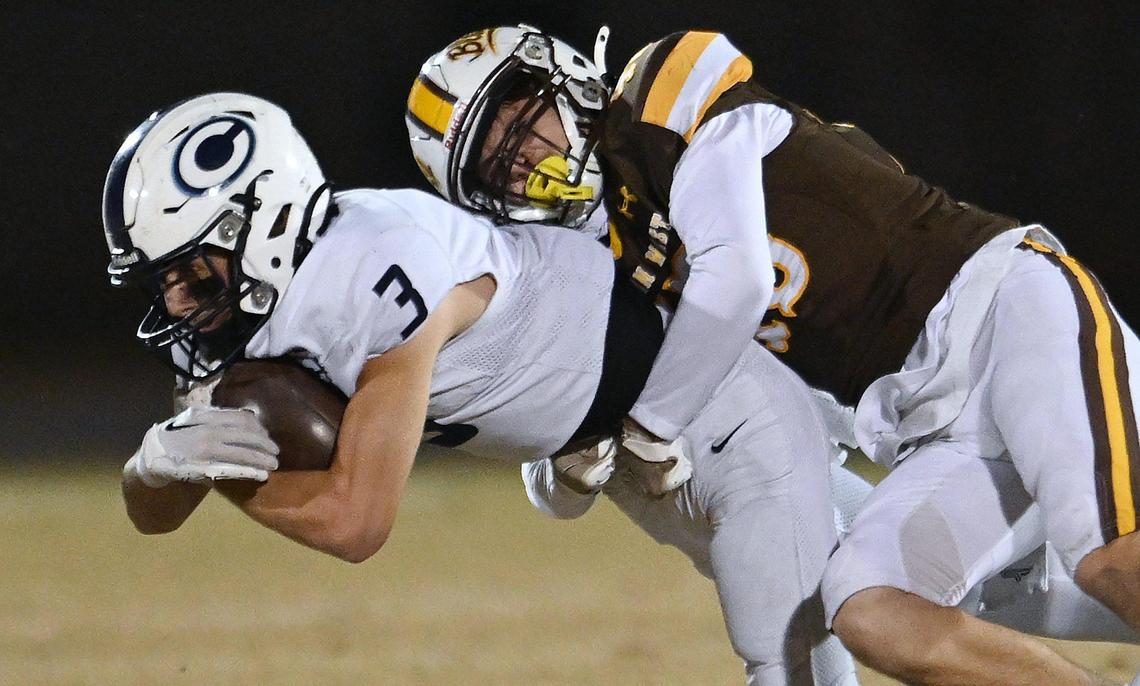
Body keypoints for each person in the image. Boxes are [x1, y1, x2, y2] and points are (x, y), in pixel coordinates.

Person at [407, 25, 1140, 685]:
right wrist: (570, 450)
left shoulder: (660, 94)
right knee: (871, 606)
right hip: (924, 430)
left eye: (522, 114)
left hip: (1003, 316)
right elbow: (552, 460)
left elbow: (738, 277)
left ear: (560, 73)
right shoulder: (594, 266)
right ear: (484, 199)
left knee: (1105, 555)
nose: (529, 151)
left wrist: (647, 424)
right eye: (497, 160)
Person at [105, 92, 860, 685]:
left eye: (192, 271)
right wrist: (153, 468)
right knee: (876, 580)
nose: (175, 304)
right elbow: (159, 506)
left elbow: (355, 522)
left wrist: (228, 474)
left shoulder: (376, 263)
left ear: (264, 221)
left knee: (794, 646)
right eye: (161, 280)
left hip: (715, 412)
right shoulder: (240, 310)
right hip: (622, 454)